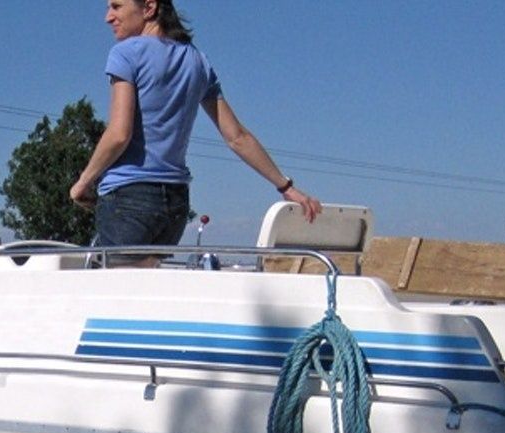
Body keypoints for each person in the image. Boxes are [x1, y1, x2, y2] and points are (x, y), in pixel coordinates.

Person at [69, 0, 321, 254]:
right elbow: (237, 137)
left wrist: (83, 182)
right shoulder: (198, 61)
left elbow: (119, 134)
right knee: (149, 288)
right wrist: (286, 187)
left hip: (128, 196)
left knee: (119, 289)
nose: (108, 17)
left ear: (149, 8)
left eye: (116, 6)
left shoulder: (125, 53)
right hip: (175, 204)